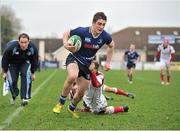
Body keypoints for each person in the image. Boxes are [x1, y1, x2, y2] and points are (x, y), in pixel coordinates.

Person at [53, 12, 115, 118]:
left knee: (81, 93)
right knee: (72, 76)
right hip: (74, 59)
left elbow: (112, 45)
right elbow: (66, 32)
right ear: (93, 23)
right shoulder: (82, 31)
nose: (101, 27)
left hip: (87, 65)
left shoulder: (105, 36)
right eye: (99, 24)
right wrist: (65, 44)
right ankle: (60, 103)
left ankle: (71, 108)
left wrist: (108, 62)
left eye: (103, 24)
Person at [1, 33, 39, 106]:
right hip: (12, 64)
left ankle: (24, 98)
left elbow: (35, 60)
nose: (24, 45)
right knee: (12, 81)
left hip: (25, 63)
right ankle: (14, 95)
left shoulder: (33, 48)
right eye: (22, 42)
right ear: (19, 42)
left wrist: (33, 73)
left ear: (29, 41)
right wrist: (5, 72)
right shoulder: (11, 48)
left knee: (25, 75)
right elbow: (5, 59)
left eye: (25, 42)